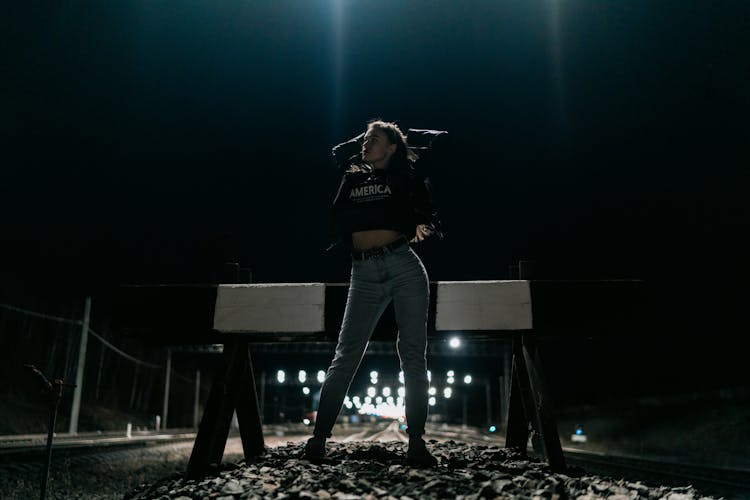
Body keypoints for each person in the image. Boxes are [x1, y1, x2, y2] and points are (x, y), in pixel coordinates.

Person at [304, 119, 444, 467]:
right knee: (346, 355)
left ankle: (416, 444)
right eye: (364, 140)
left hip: (403, 266)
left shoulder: (404, 175)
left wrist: (397, 135)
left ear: (393, 148)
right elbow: (338, 153)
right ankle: (318, 441)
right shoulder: (352, 176)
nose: (365, 144)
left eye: (374, 140)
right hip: (363, 272)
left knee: (412, 356)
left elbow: (438, 145)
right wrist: (370, 138)